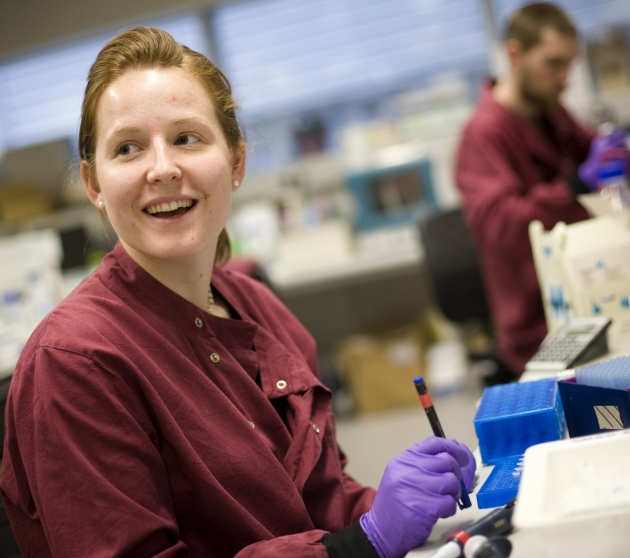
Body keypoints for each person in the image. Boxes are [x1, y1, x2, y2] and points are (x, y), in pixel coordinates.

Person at [0, 27, 475, 558]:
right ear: (94, 185)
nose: (163, 169)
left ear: (237, 163)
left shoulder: (259, 307)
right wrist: (362, 542)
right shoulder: (76, 362)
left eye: (187, 138)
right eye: (128, 148)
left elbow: (318, 502)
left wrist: (400, 505)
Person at [455, 2, 630, 378]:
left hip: (590, 297)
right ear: (515, 55)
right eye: (553, 64)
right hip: (539, 326)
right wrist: (578, 184)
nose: (565, 77)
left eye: (570, 64)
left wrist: (618, 150)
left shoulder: (550, 112)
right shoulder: (483, 133)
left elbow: (592, 154)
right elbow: (502, 226)